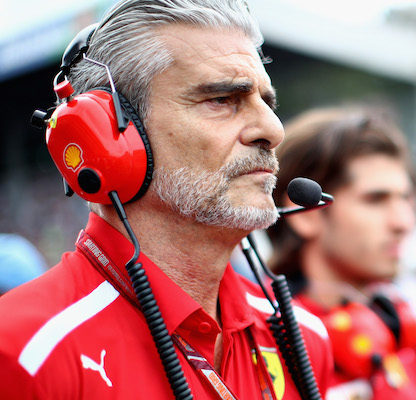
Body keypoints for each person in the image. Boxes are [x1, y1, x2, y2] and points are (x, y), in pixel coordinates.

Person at [0, 1, 332, 399]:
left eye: (268, 103)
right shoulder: (23, 350)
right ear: (106, 137)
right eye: (223, 100)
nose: (273, 130)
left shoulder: (305, 338)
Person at [266, 106, 416, 399]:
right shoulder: (266, 338)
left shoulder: (390, 323)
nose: (404, 222)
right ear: (305, 213)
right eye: (376, 199)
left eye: (405, 198)